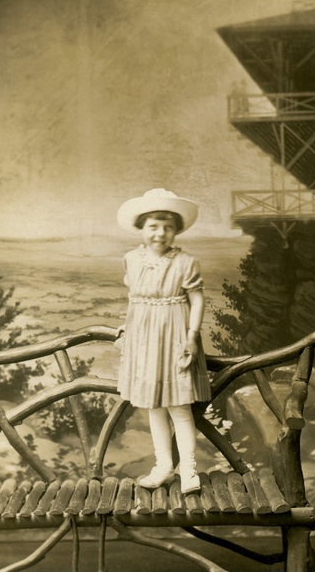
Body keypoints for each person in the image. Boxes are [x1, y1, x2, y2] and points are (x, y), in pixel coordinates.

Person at [116, 188, 211, 494]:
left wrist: (191, 338)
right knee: (153, 406)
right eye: (153, 226)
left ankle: (189, 471)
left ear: (176, 231)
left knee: (179, 408)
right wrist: (127, 329)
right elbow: (136, 302)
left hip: (175, 338)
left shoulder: (185, 262)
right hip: (144, 341)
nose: (160, 233)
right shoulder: (131, 260)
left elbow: (196, 302)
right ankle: (163, 468)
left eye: (168, 227)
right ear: (141, 229)